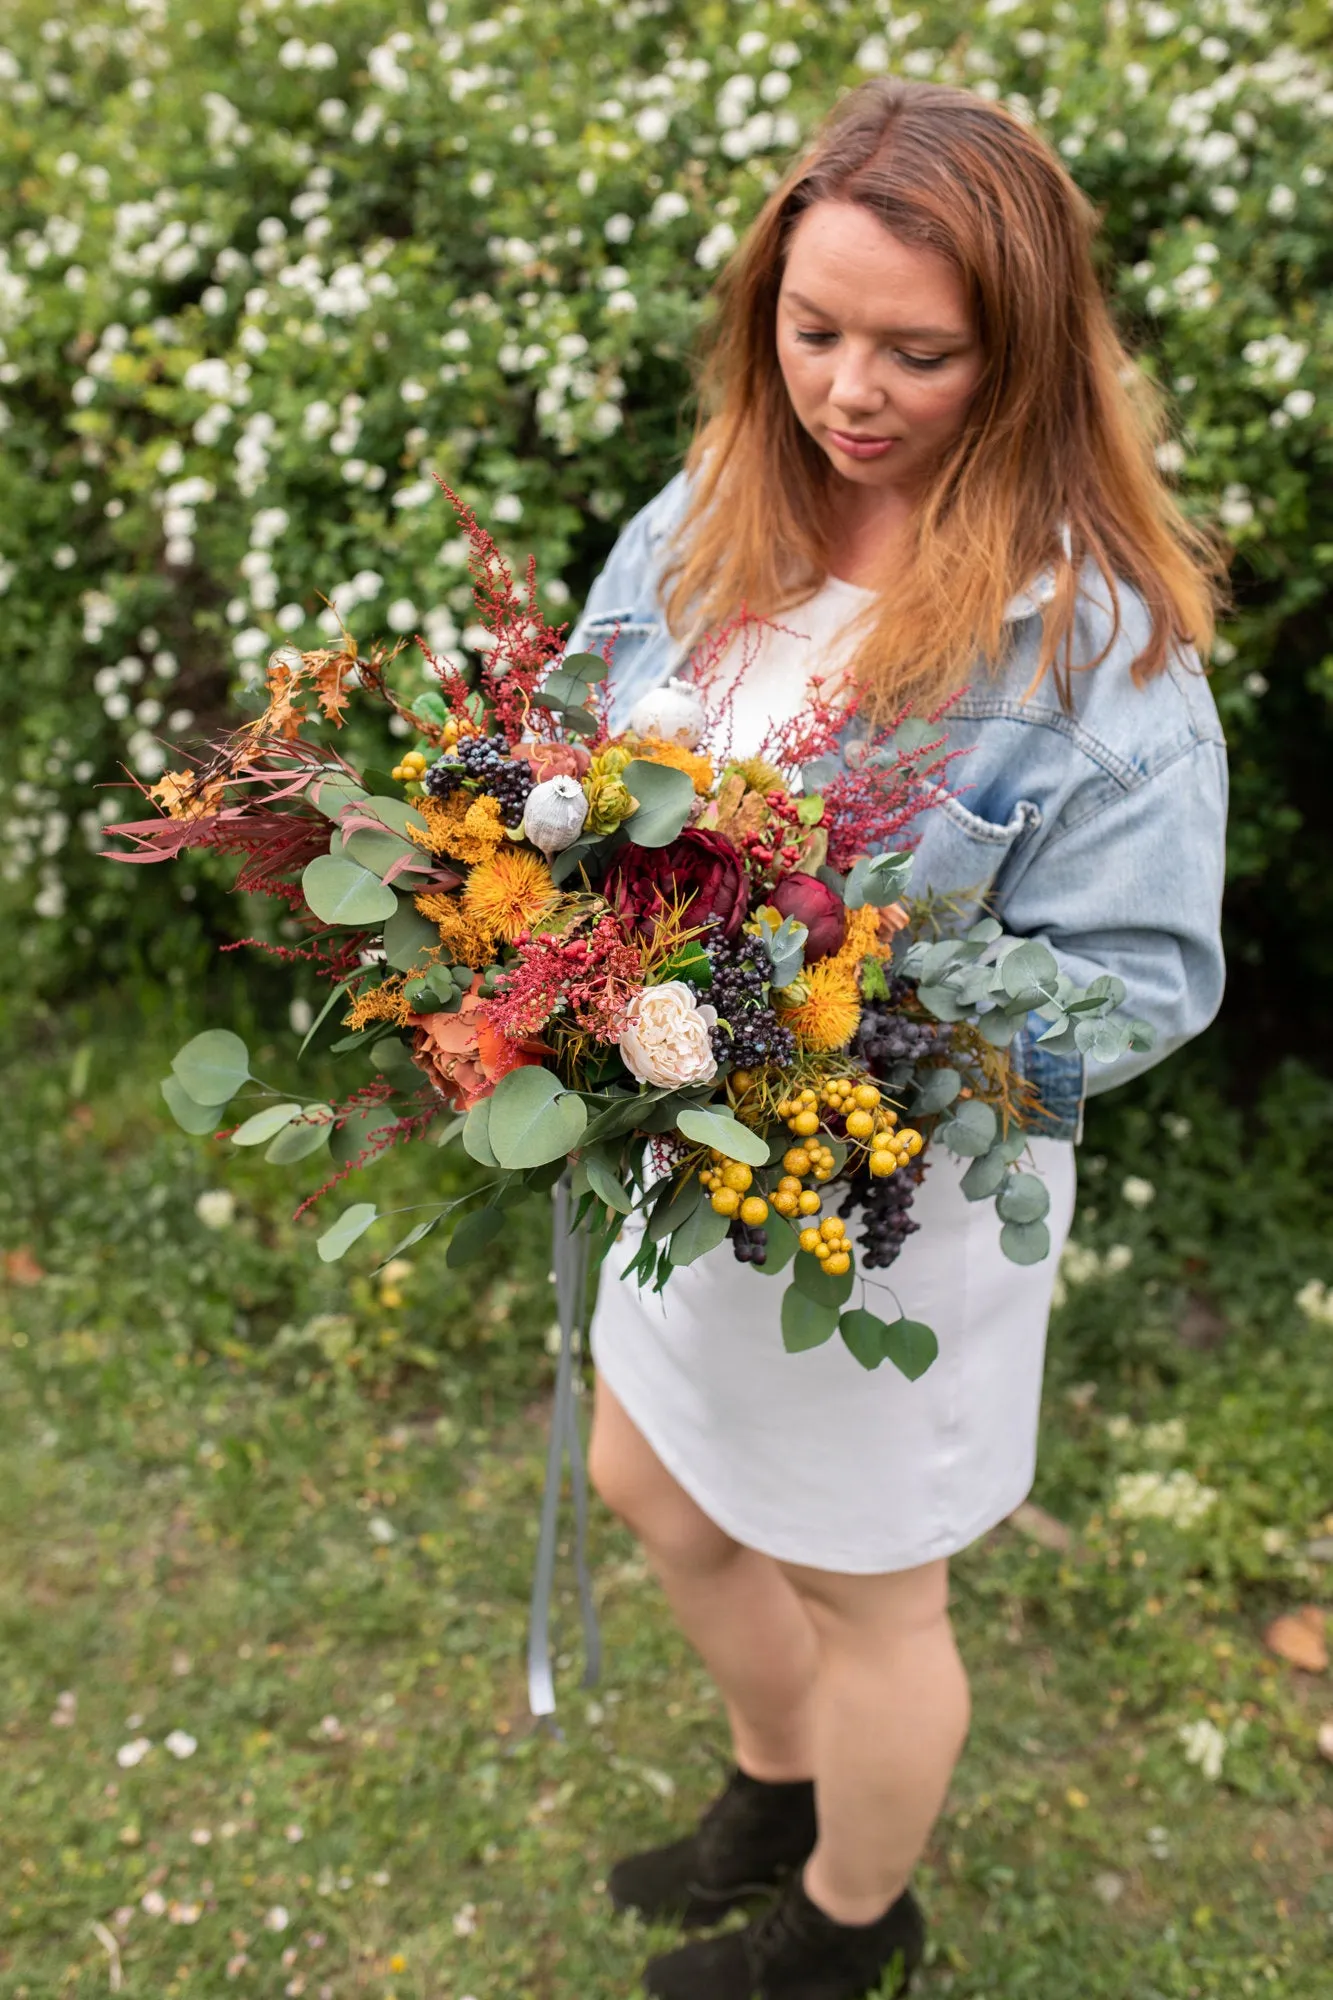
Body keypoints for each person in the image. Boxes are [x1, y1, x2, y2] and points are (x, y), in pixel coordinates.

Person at [561, 77, 1229, 2000]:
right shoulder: (712, 512)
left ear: (1019, 358)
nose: (848, 389)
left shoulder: (1090, 653)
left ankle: (852, 1924)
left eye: (915, 353)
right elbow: (586, 764)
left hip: (881, 1206)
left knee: (875, 1597)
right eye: (814, 329)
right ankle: (778, 1783)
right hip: (685, 1160)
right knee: (652, 1481)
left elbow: (1146, 983)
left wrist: (859, 1050)